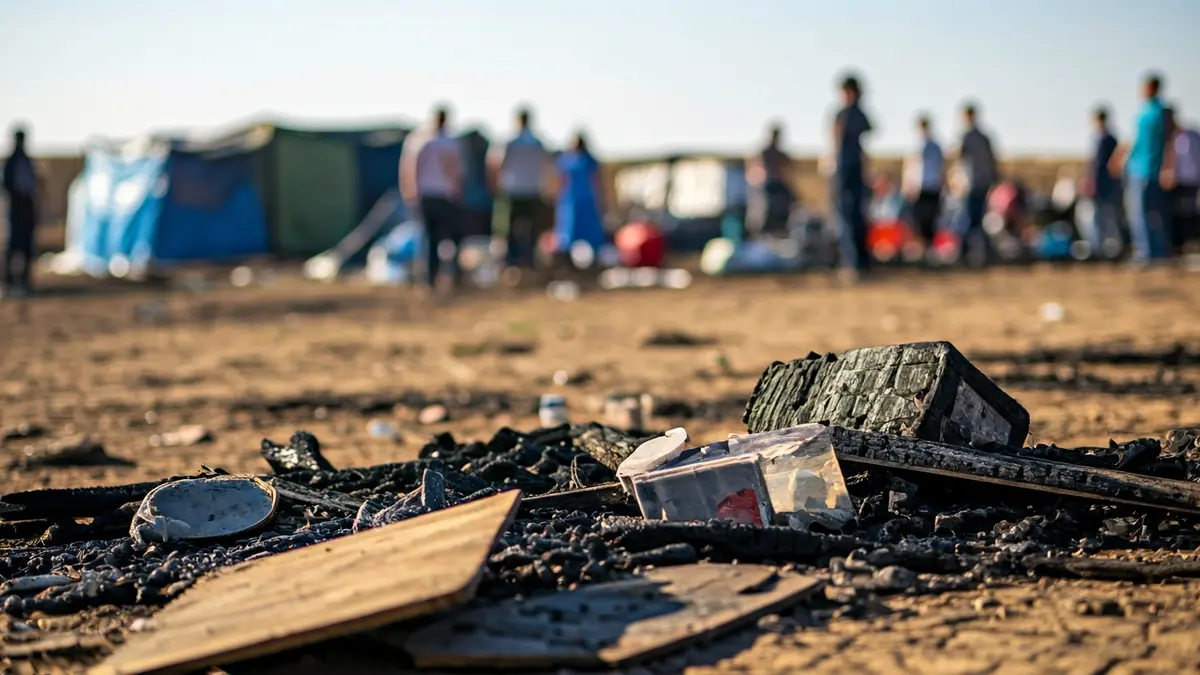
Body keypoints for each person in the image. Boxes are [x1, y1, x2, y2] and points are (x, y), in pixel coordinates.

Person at [399, 105, 464, 290]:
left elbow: (409, 167)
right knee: (443, 238)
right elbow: (455, 170)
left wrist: (409, 190)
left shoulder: (419, 140)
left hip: (427, 195)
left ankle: (430, 278)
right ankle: (443, 276)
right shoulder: (449, 142)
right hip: (444, 195)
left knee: (428, 238)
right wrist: (457, 190)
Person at [1116, 73, 1170, 263]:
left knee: (1152, 214)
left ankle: (1154, 253)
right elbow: (1134, 140)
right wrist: (1121, 159)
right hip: (1136, 169)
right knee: (1138, 214)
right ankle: (1145, 252)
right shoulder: (1142, 111)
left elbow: (1169, 141)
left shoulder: (1162, 111)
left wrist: (1168, 167)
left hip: (1152, 169)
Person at [489, 106, 549, 272]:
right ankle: (529, 262)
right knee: (532, 230)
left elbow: (498, 164)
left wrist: (495, 186)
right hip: (532, 190)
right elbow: (546, 166)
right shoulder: (538, 143)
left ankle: (511, 263)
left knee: (508, 230)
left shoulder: (510, 142)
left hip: (513, 191)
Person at [831, 74, 873, 278]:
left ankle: (853, 262)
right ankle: (861, 262)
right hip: (855, 169)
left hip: (846, 170)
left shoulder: (845, 114)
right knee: (856, 215)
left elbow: (838, 142)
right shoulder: (858, 113)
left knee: (847, 216)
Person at [955, 102, 999, 266]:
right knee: (977, 221)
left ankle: (966, 254)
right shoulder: (983, 137)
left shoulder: (968, 137)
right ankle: (983, 253)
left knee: (969, 221)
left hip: (973, 185)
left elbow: (959, 159)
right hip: (980, 184)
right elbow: (993, 161)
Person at [553, 132, 605, 263]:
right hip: (570, 202)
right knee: (568, 233)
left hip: (586, 202)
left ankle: (593, 261)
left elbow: (597, 180)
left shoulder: (590, 161)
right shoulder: (565, 161)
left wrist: (601, 199)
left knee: (590, 233)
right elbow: (559, 181)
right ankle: (566, 261)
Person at [2, 125, 39, 298]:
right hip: (16, 209)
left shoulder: (27, 161)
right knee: (13, 247)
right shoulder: (11, 162)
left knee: (26, 246)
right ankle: (9, 283)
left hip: (27, 208)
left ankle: (25, 281)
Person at [1081, 106, 1121, 257]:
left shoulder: (1109, 140)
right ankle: (1097, 248)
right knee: (1094, 217)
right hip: (1097, 186)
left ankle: (1110, 249)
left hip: (1106, 186)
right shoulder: (1095, 139)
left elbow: (1108, 166)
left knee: (1107, 218)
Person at [901, 114, 944, 252]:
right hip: (918, 188)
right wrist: (908, 185)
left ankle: (929, 247)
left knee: (931, 219)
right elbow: (910, 167)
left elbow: (940, 166)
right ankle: (922, 246)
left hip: (931, 186)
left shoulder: (935, 146)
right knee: (917, 219)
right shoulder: (914, 146)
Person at [744, 122, 794, 238]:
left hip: (778, 186)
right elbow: (753, 169)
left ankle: (781, 227)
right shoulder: (763, 153)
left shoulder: (781, 154)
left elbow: (789, 168)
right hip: (765, 186)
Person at [1164, 106, 1200, 253]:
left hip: (1190, 181)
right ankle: (1180, 245)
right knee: (1178, 214)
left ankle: (1191, 242)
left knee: (1189, 212)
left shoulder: (1190, 135)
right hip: (1176, 183)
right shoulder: (1170, 138)